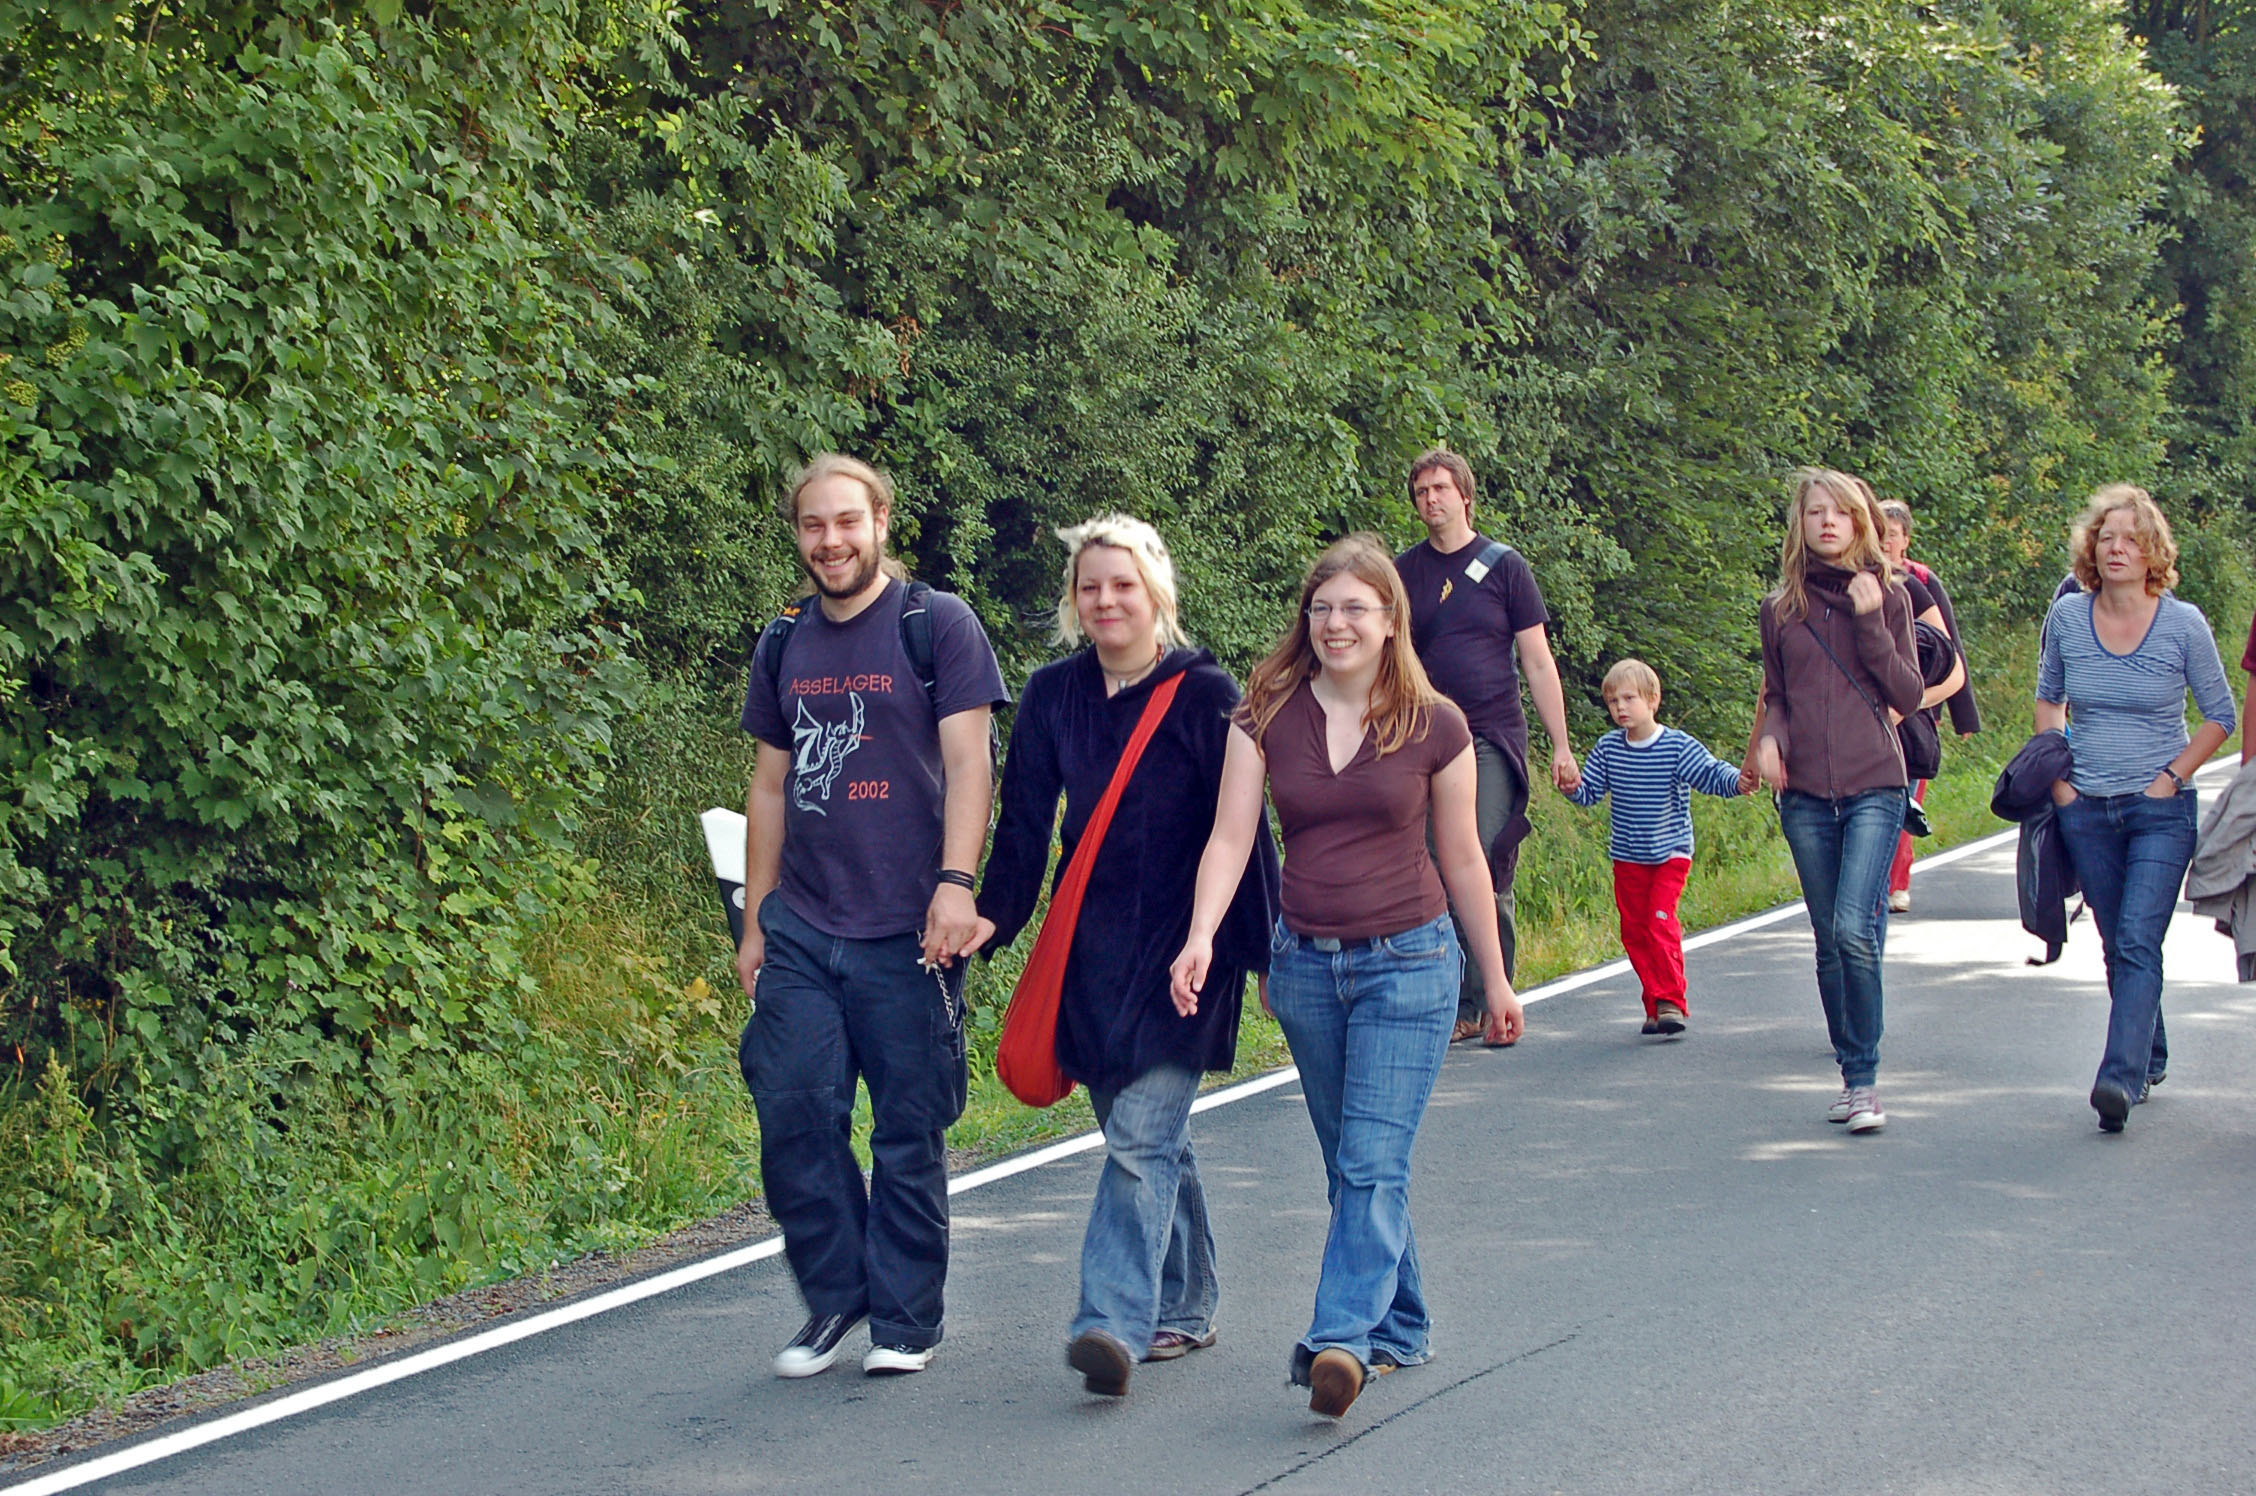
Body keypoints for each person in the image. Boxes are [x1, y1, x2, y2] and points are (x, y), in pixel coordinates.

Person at [1169, 534, 1523, 1421]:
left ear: (1390, 619)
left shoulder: (1437, 724)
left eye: (1355, 608)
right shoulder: (1264, 714)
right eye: (1322, 607)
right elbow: (1230, 837)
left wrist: (1496, 979)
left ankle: (1339, 1341)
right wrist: (1202, 936)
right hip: (1306, 967)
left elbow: (1465, 859)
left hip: (1411, 964)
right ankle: (1402, 1322)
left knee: (1370, 1161)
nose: (1336, 623)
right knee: (1353, 1166)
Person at [976, 515, 1280, 1399]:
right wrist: (989, 921)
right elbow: (1024, 825)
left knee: (1141, 1141)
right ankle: (1188, 1301)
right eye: (1090, 587)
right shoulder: (1052, 695)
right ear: (1074, 601)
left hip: (1188, 950)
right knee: (1145, 1138)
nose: (1106, 600)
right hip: (1091, 951)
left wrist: (1264, 954)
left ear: (1157, 595)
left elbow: (1245, 834)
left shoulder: (1207, 695)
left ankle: (1110, 1320)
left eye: (1123, 585)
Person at [734, 453, 1010, 1378]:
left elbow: (970, 765)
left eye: (847, 521)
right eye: (814, 525)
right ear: (798, 535)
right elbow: (768, 787)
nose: (831, 541)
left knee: (905, 1130)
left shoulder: (937, 625)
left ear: (881, 522)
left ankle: (904, 1321)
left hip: (909, 929)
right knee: (792, 1109)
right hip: (806, 926)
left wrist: (956, 883)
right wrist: (756, 921)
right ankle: (838, 1295)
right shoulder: (784, 641)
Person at [2035, 485, 2236, 1133]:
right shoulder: (2068, 618)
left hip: (2159, 811)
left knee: (2137, 938)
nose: (2116, 547)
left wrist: (2171, 779)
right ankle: (2149, 1052)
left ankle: (2118, 1078)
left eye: (2130, 538)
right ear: (2091, 549)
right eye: (2106, 537)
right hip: (2086, 807)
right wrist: (2061, 785)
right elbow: (2049, 701)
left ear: (2153, 553)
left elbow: (2221, 716)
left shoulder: (2184, 624)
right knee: (2115, 940)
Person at [1754, 469, 1924, 1134]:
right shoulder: (1780, 609)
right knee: (1829, 940)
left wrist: (1870, 618)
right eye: (1815, 512)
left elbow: (1907, 693)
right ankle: (1851, 1075)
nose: (1828, 522)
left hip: (1875, 784)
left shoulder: (1890, 597)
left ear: (1861, 523)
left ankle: (1864, 1080)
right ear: (1800, 525)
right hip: (1803, 796)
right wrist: (1770, 742)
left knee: (1855, 928)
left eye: (1841, 512)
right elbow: (1778, 696)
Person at [1391, 448, 1579, 1045]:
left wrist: (1561, 745)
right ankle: (1454, 997)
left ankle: (1485, 996)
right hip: (1424, 737)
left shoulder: (1505, 567)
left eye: (1440, 488)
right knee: (1433, 862)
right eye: (1421, 491)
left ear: (1466, 496)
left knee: (1473, 849)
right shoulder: (1403, 572)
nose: (1430, 499)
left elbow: (1537, 661)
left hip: (1492, 735)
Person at [1566, 659, 1745, 1036]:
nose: (1620, 707)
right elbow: (1589, 792)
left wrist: (1739, 781)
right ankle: (1654, 1004)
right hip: (1628, 856)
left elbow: (1711, 774)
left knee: (1659, 921)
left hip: (1670, 853)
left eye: (1629, 698)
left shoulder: (1676, 746)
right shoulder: (1609, 748)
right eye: (1613, 701)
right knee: (1635, 932)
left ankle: (1671, 1002)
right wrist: (1571, 785)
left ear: (1652, 700)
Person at [1875, 496, 1971, 914]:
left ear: (1906, 540)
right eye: (1879, 533)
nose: (1885, 542)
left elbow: (1951, 654)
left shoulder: (1920, 582)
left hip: (1916, 713)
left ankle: (1896, 883)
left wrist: (1962, 714)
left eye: (1892, 535)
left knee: (1904, 803)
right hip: (1865, 717)